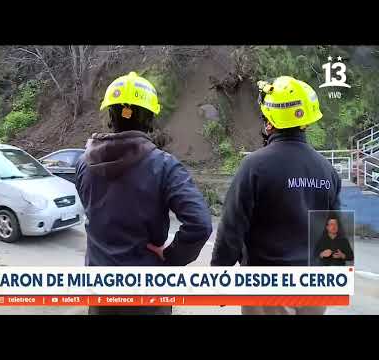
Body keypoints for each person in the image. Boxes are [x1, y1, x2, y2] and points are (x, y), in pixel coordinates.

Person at [75, 71, 212, 315]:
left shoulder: (84, 162)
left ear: (110, 116)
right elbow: (200, 224)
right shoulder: (164, 166)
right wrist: (171, 258)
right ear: (149, 118)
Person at [211, 76, 342, 315]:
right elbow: (334, 237)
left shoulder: (255, 166)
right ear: (307, 122)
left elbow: (231, 228)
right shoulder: (327, 170)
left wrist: (219, 282)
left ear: (269, 121)